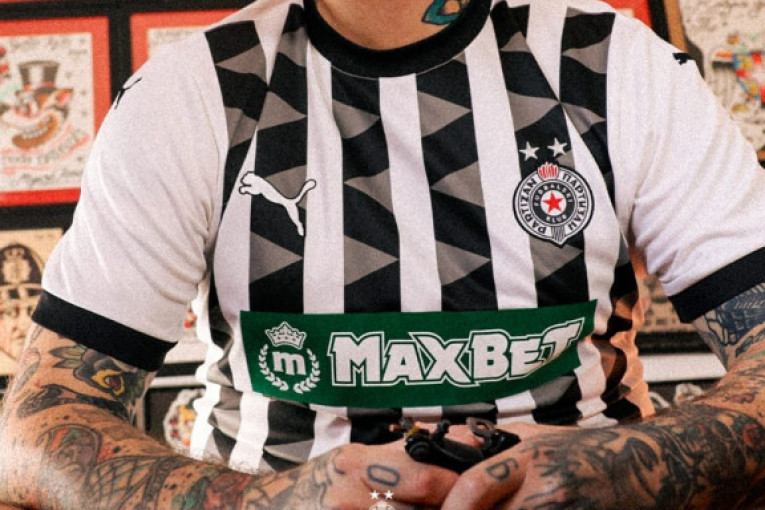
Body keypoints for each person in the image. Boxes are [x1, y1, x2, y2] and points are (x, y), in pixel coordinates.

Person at [1, 0, 765, 507]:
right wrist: (273, 501)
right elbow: (37, 425)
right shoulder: (193, 91)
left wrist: (623, 466)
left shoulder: (612, 65)